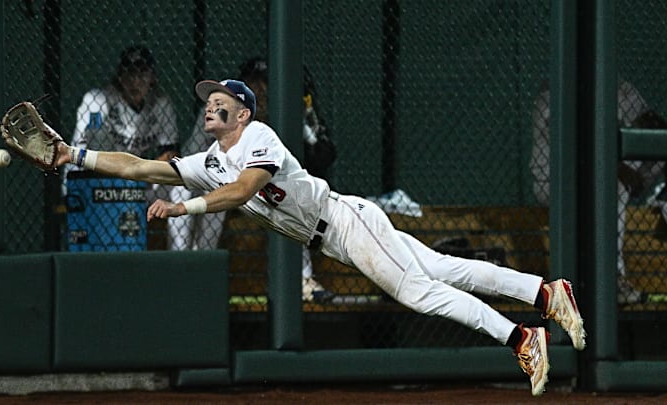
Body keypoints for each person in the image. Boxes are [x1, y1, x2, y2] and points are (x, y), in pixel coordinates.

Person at [57, 78, 586, 396]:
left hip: (346, 223)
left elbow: (244, 190)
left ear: (242, 113)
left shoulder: (258, 137)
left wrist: (183, 207)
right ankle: (545, 293)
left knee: (419, 292)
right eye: (207, 98)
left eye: (222, 99)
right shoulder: (209, 159)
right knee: (443, 271)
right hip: (336, 233)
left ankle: (522, 339)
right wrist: (73, 155)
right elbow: (141, 166)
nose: (210, 103)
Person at [168, 58, 337, 303]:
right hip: (218, 183)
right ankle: (190, 269)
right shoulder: (218, 112)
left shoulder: (283, 117)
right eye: (251, 83)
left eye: (263, 83)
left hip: (261, 191)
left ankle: (303, 280)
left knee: (287, 202)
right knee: (190, 194)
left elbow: (322, 154)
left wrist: (306, 123)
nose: (258, 89)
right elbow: (191, 157)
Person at [530, 79, 666, 305]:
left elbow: (650, 121)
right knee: (612, 187)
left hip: (602, 174)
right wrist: (618, 168)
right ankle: (613, 278)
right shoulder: (553, 92)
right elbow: (575, 146)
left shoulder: (616, 86)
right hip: (554, 182)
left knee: (622, 179)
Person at [66, 45, 180, 248]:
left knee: (181, 187)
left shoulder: (161, 103)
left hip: (140, 181)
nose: (135, 81)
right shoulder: (98, 100)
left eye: (142, 73)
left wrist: (140, 176)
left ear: (153, 78)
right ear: (119, 76)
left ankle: (181, 258)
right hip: (93, 181)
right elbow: (89, 151)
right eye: (129, 73)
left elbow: (170, 153)